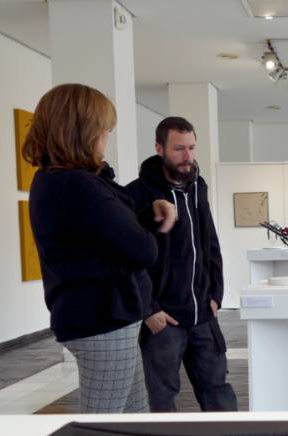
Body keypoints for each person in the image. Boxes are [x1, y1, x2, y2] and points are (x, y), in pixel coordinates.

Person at [24, 83, 175, 413]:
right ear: (83, 130)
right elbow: (142, 250)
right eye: (104, 128)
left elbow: (101, 236)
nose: (107, 136)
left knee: (132, 418)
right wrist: (151, 230)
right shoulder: (76, 185)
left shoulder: (60, 181)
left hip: (105, 317)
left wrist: (145, 217)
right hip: (102, 319)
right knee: (103, 422)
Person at [127, 117, 238, 412]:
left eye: (192, 147)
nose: (188, 156)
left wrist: (216, 294)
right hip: (164, 320)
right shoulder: (136, 194)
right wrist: (149, 309)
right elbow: (129, 260)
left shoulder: (198, 187)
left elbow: (210, 243)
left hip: (203, 314)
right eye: (179, 149)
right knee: (160, 399)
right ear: (159, 148)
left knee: (219, 393)